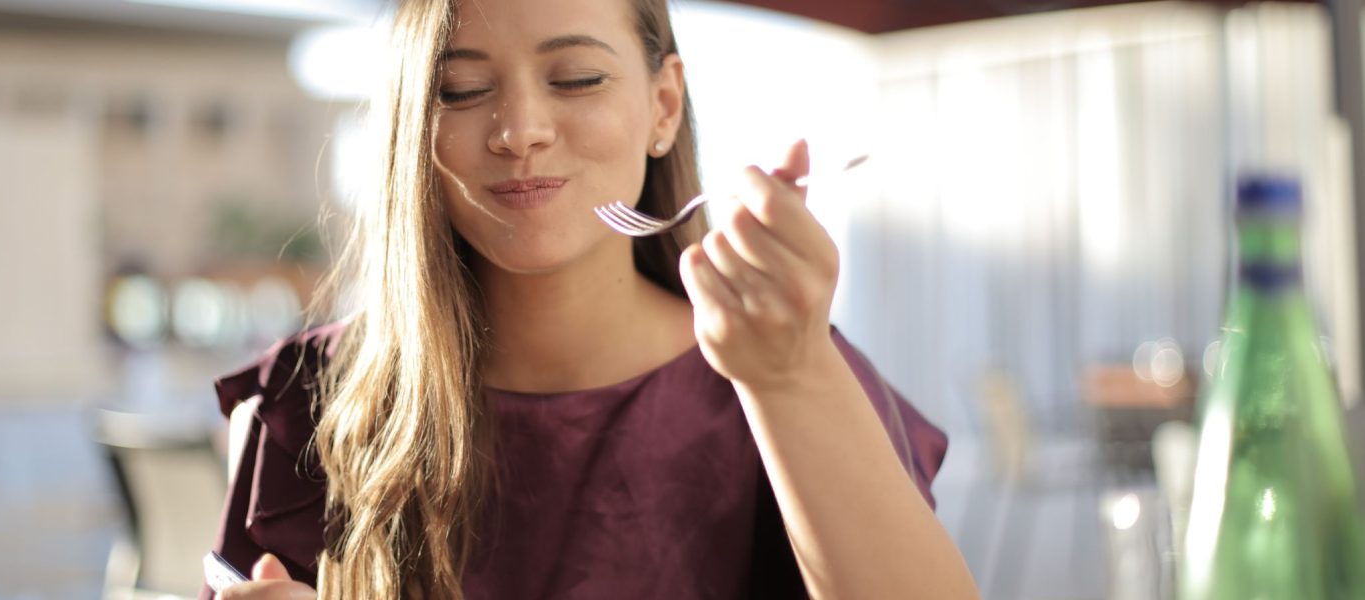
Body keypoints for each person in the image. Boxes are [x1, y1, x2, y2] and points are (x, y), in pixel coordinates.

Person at [204, 0, 978, 597]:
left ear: (664, 106)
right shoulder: (308, 400)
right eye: (463, 89)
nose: (520, 131)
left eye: (576, 78)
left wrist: (791, 377)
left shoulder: (782, 369)